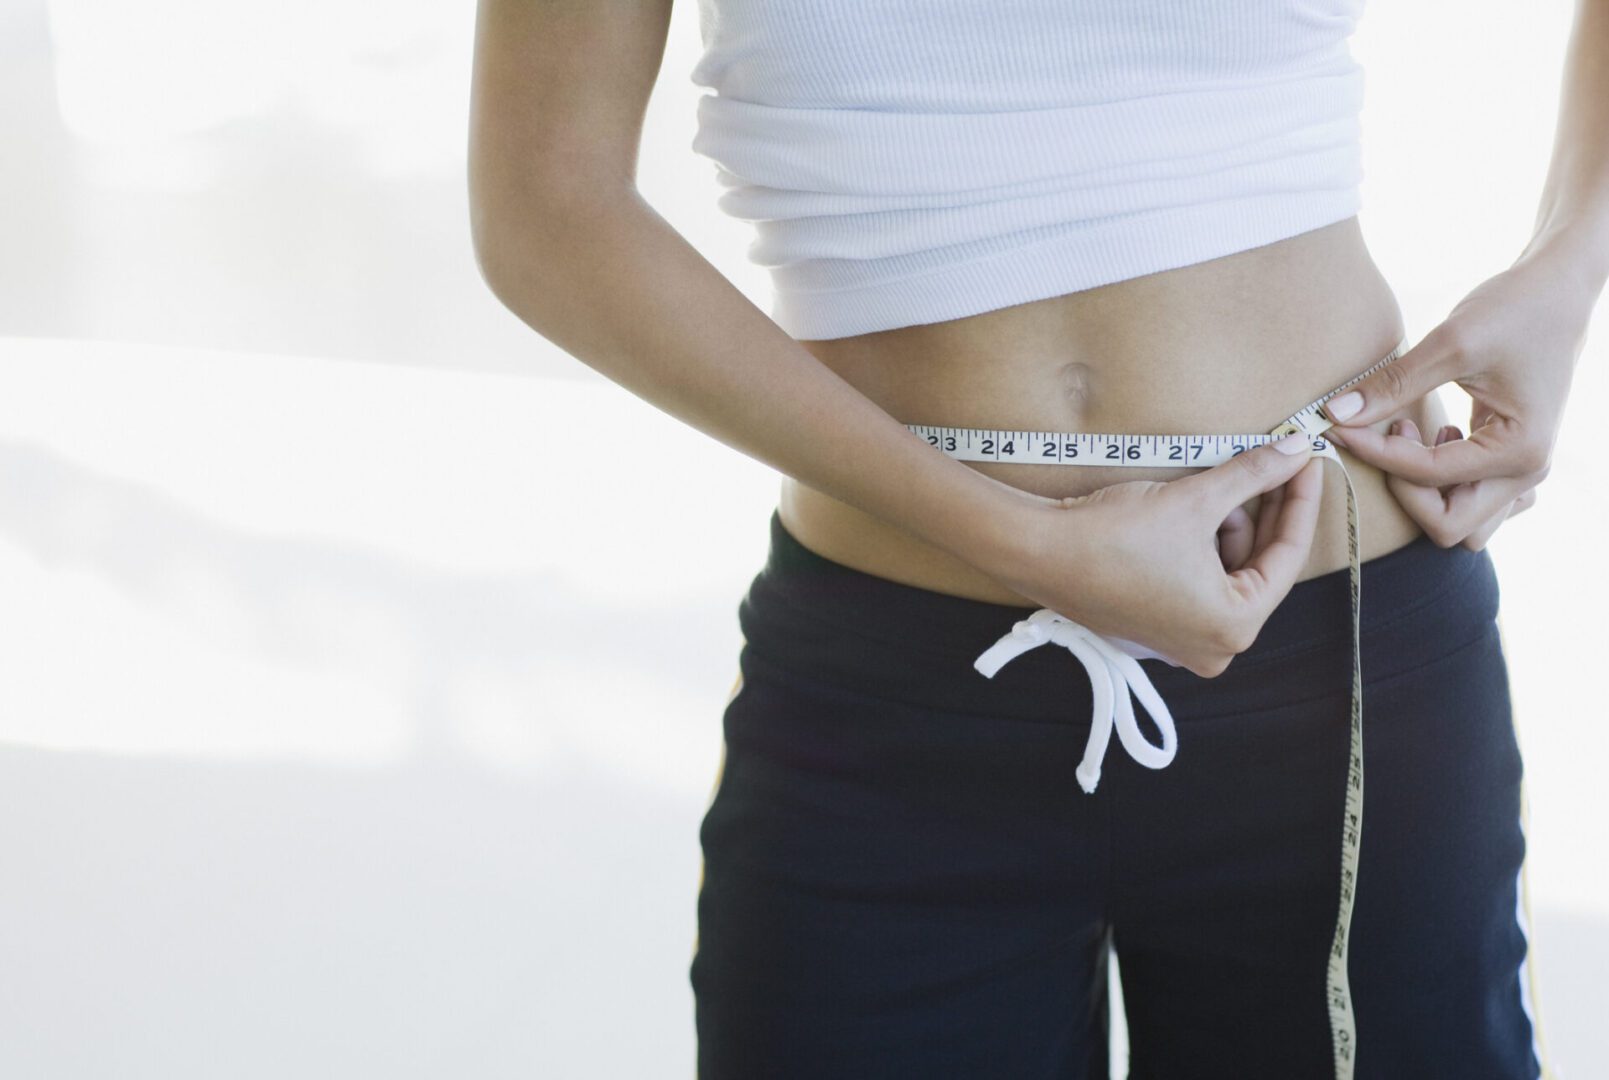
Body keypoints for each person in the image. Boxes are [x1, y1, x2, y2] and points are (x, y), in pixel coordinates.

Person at [467, 1, 1603, 1076]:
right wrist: (1018, 539)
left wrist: (1569, 259)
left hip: (1335, 669)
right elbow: (548, 207)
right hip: (886, 709)